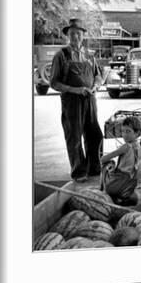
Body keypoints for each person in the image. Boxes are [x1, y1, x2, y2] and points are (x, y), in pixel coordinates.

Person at [50, 18, 104, 183]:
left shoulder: (89, 55)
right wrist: (75, 90)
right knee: (74, 137)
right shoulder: (61, 55)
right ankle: (79, 172)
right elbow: (54, 82)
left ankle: (94, 168)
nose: (75, 37)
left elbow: (98, 75)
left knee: (95, 134)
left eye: (78, 34)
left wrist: (95, 86)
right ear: (68, 35)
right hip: (72, 102)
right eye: (72, 34)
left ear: (83, 36)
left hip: (90, 99)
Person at [100, 116, 141, 206]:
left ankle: (104, 190)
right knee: (133, 199)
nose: (124, 134)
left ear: (137, 133)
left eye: (128, 131)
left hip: (118, 182)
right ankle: (122, 198)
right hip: (130, 184)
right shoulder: (139, 147)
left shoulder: (126, 146)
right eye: (123, 131)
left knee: (108, 164)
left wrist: (107, 162)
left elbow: (103, 159)